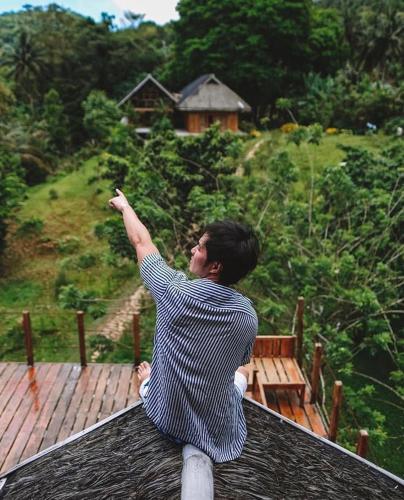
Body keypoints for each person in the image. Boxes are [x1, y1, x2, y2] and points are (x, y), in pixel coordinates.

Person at [109, 188, 259, 463]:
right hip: (220, 429)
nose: (193, 250)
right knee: (241, 371)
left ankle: (148, 384)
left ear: (214, 266)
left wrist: (125, 207)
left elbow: (141, 242)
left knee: (149, 381)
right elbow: (238, 358)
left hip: (170, 421)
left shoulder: (172, 292)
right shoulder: (247, 315)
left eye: (200, 247)